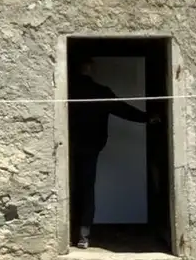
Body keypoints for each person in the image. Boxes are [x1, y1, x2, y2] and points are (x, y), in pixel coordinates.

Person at [68, 57, 161, 250]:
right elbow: (124, 110)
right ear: (90, 69)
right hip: (90, 146)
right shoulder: (100, 92)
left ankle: (73, 232)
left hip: (67, 145)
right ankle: (83, 235)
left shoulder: (68, 90)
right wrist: (148, 118)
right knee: (86, 187)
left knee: (72, 187)